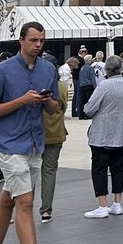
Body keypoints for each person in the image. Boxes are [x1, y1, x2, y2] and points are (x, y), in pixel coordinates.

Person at [0, 21, 62, 244]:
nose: (38, 45)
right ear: (21, 40)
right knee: (25, 202)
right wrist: (21, 101)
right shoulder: (2, 71)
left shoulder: (48, 69)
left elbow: (55, 107)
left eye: (41, 41)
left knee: (9, 201)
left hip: (35, 144)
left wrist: (47, 101)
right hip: (10, 145)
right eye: (34, 40)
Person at [83, 55, 123, 219]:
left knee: (99, 169)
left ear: (106, 69)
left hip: (103, 134)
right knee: (117, 168)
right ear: (121, 68)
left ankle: (102, 205)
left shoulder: (103, 86)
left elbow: (89, 109)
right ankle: (117, 203)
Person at [39, 72, 68, 224]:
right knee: (49, 172)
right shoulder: (61, 86)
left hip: (36, 132)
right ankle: (46, 210)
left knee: (27, 171)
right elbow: (63, 107)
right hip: (56, 131)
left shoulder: (35, 84)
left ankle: (24, 206)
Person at [77, 54, 96, 120]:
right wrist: (95, 87)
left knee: (82, 100)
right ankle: (87, 114)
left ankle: (81, 115)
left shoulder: (82, 68)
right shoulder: (90, 68)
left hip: (82, 85)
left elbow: (80, 77)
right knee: (88, 100)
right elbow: (92, 78)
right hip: (89, 85)